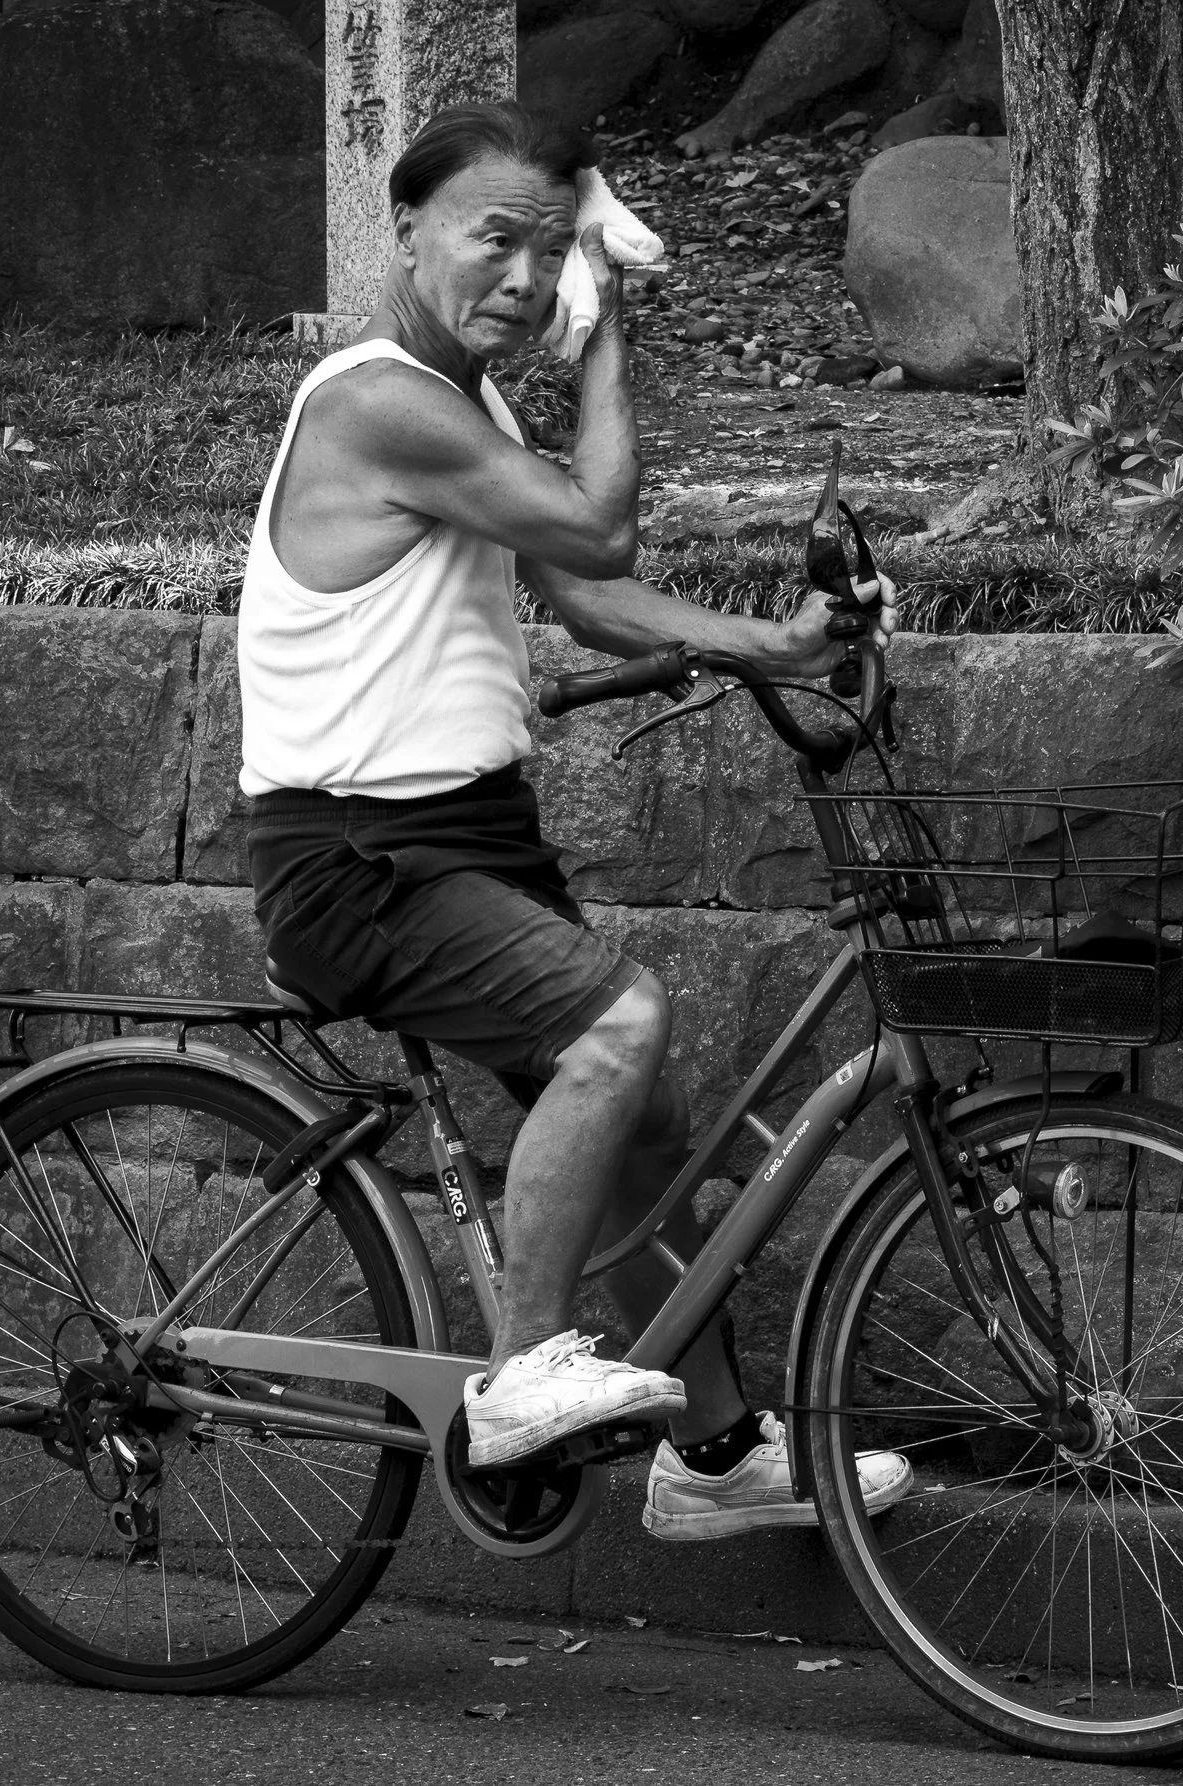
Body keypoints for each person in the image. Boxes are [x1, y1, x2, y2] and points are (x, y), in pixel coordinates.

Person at [235, 99, 907, 1541]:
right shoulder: (372, 401)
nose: (528, 281)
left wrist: (776, 648)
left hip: (461, 835)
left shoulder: (464, 411)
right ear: (406, 229)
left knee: (644, 1116)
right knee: (618, 1028)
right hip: (355, 854)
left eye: (553, 254)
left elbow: (589, 597)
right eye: (500, 241)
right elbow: (601, 531)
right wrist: (606, 332)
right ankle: (523, 1369)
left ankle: (714, 1457)